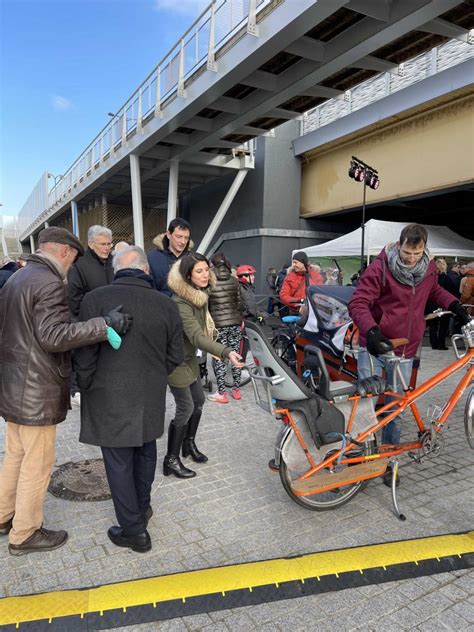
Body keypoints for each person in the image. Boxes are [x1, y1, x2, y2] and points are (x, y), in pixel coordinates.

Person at [0, 227, 132, 555]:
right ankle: (25, 533)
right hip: (36, 391)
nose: (72, 268)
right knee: (38, 463)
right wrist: (105, 325)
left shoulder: (18, 277)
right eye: (73, 260)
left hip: (14, 386)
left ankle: (4, 517)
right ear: (65, 252)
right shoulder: (48, 282)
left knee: (15, 456)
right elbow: (54, 336)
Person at [74, 246, 183, 553]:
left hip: (107, 395)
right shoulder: (166, 305)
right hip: (149, 394)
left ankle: (134, 530)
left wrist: (86, 385)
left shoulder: (94, 299)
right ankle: (142, 509)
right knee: (145, 451)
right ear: (146, 270)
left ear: (116, 269)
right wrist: (153, 377)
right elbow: (175, 355)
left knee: (119, 462)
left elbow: (84, 354)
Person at [349, 224, 469, 485]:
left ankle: (389, 462)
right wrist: (370, 331)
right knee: (364, 405)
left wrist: (454, 304)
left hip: (405, 347)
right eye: (406, 253)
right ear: (399, 244)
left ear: (424, 249)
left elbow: (433, 291)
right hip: (376, 343)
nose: (411, 259)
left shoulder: (428, 268)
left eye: (416, 254)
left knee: (396, 407)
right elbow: (358, 301)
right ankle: (361, 459)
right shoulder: (381, 266)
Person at [165, 253, 244, 478]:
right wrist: (226, 352)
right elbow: (197, 337)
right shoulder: (181, 301)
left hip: (190, 359)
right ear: (188, 275)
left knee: (199, 401)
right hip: (176, 361)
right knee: (186, 407)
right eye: (199, 271)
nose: (205, 275)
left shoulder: (200, 295)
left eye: (206, 270)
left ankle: (188, 444)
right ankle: (171, 459)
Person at [67, 225, 115, 406]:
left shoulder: (114, 262)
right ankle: (77, 388)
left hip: (113, 321)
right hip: (87, 323)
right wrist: (96, 317)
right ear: (91, 244)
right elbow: (74, 298)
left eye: (109, 244)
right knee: (85, 359)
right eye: (102, 244)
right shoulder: (79, 266)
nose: (107, 248)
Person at [208, 253, 243, 404]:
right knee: (235, 355)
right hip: (235, 323)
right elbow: (240, 304)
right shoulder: (235, 281)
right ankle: (236, 390)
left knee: (219, 357)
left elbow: (207, 305)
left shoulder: (210, 281)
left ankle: (222, 393)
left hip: (218, 325)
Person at [147, 218, 192, 295]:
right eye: (179, 236)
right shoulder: (151, 258)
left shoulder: (193, 258)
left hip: (188, 306)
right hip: (162, 305)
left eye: (186, 238)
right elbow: (148, 289)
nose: (183, 242)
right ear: (168, 234)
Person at [427, 258, 453, 350]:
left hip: (431, 304)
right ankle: (441, 344)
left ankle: (434, 344)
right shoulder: (447, 278)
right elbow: (451, 292)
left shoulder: (431, 278)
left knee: (433, 325)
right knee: (443, 326)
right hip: (443, 304)